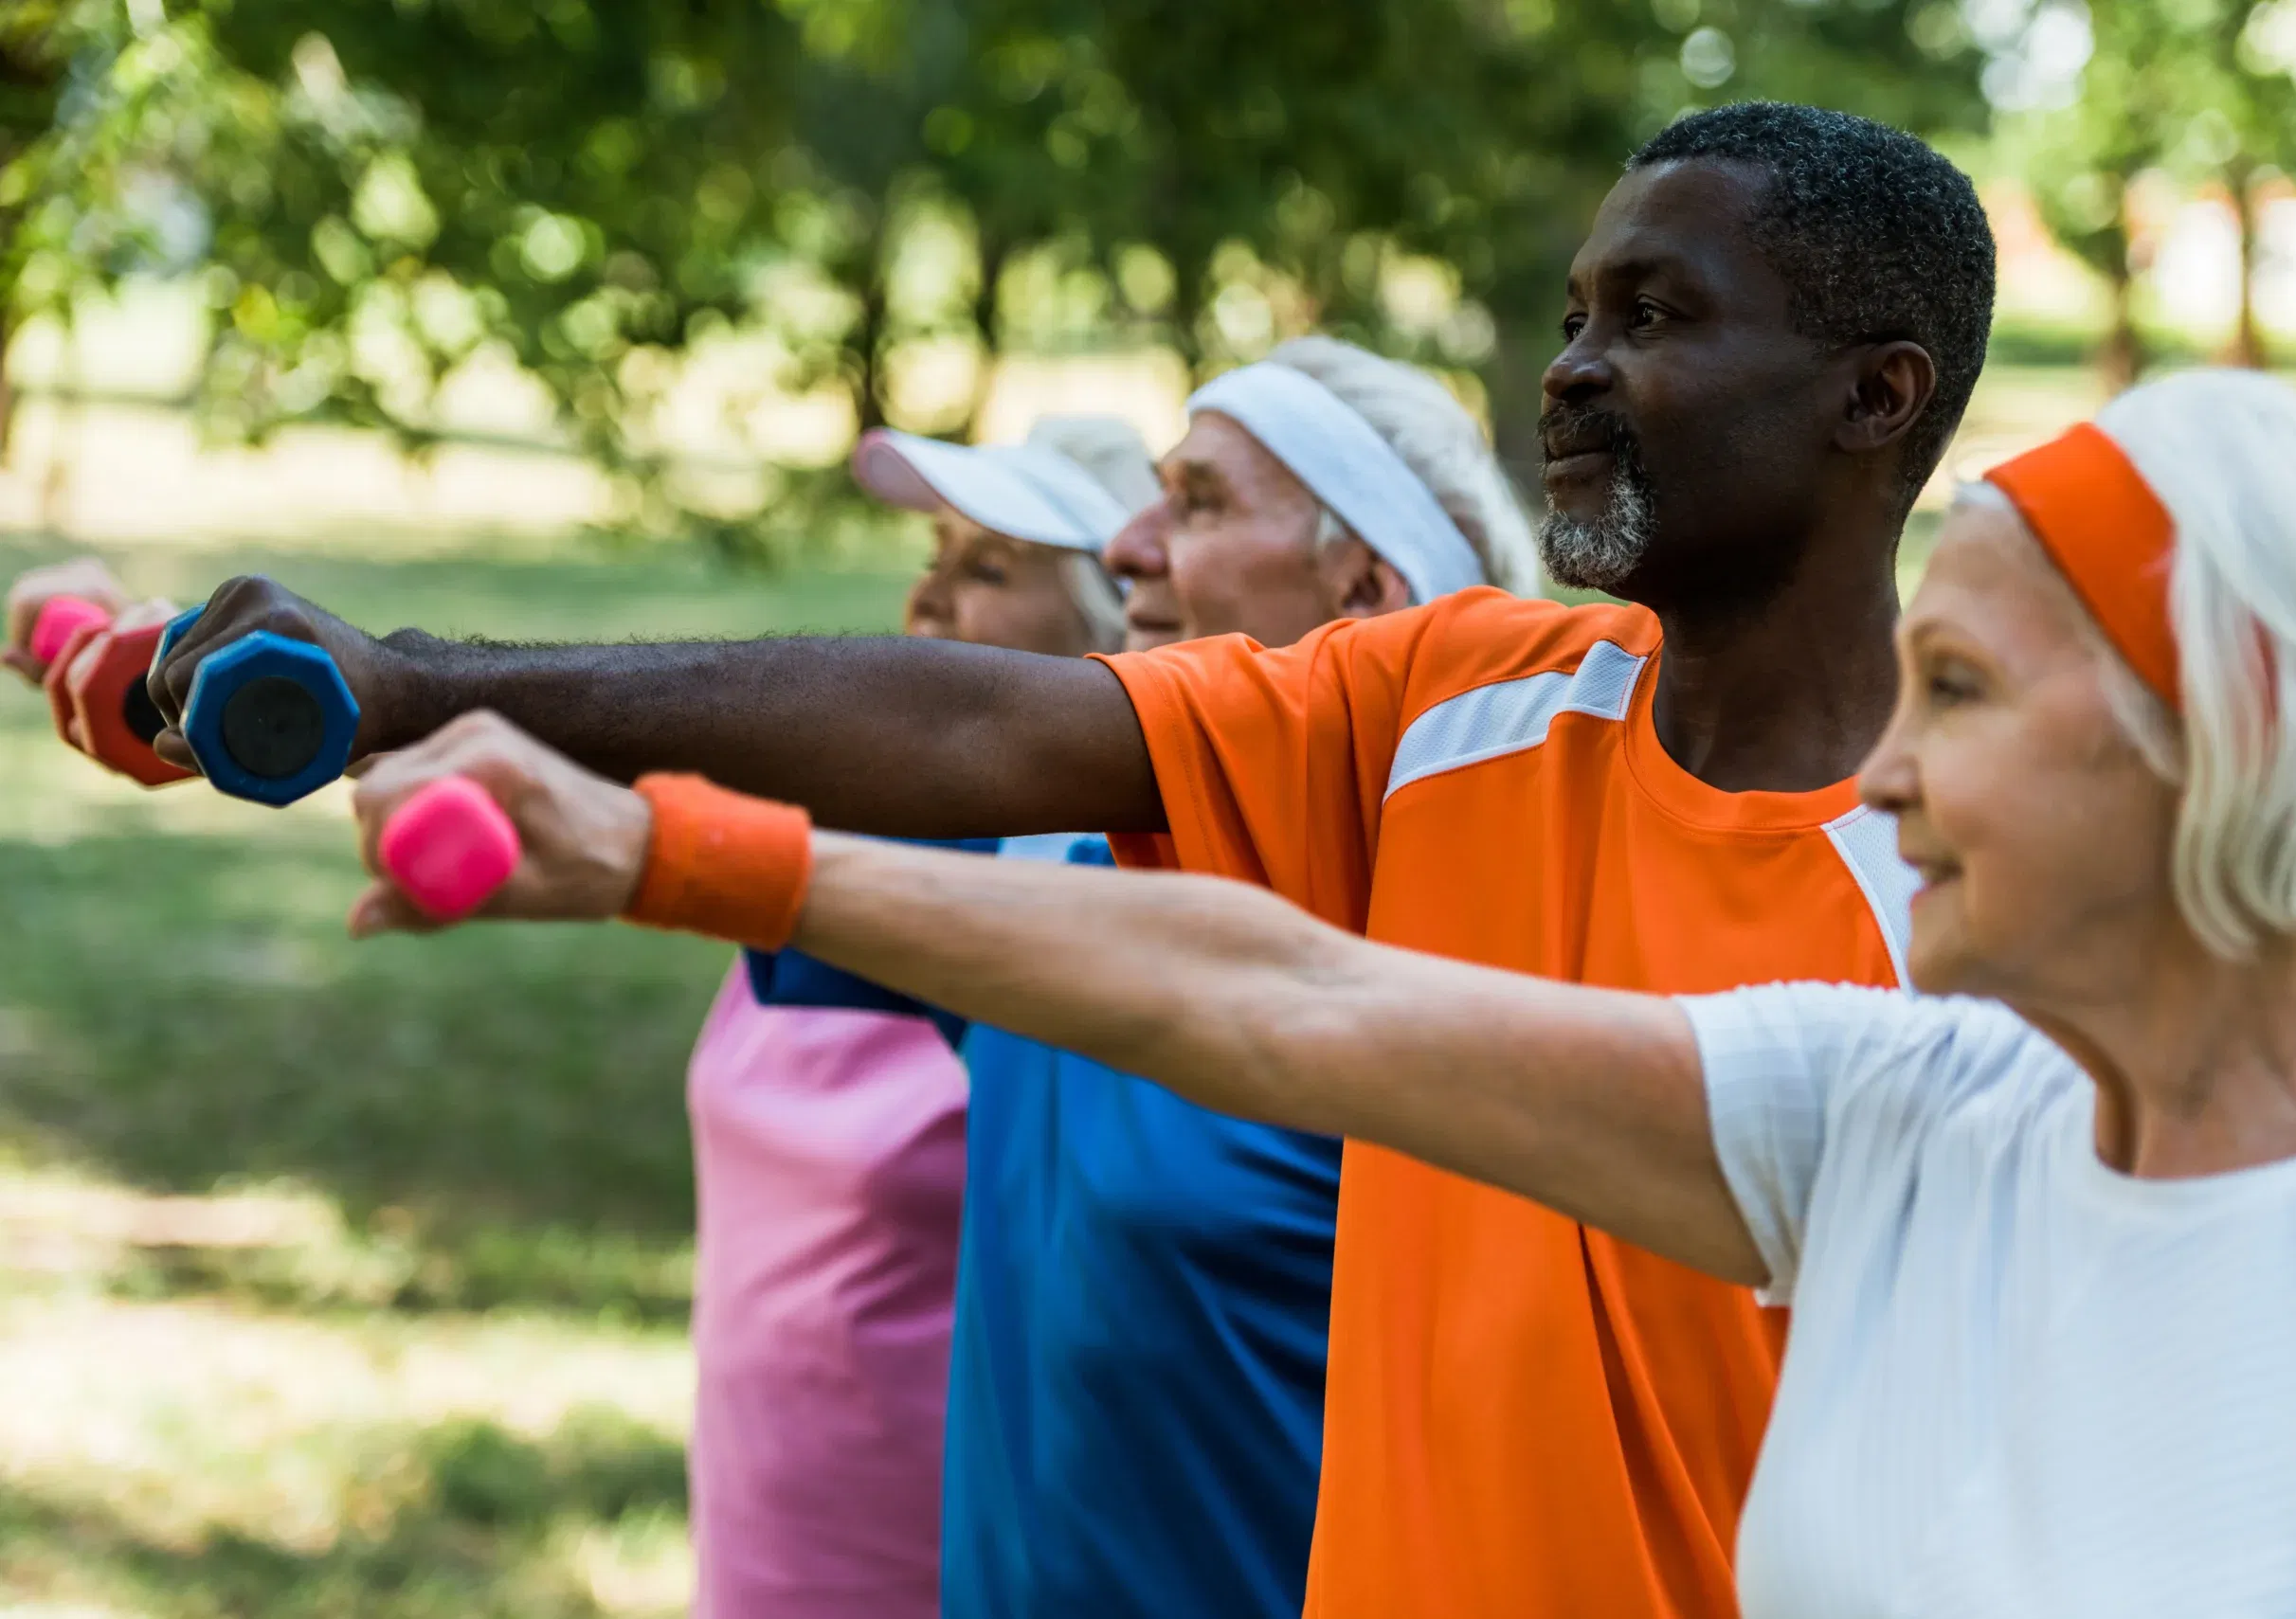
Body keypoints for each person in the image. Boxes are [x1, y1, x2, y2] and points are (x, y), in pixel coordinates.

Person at [154, 102, 1999, 1617]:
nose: (1571, 372)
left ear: (1872, 396)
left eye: (1654, 319)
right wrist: (412, 678)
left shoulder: (1973, 912)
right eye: (1576, 313)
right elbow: (983, 726)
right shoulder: (1463, 696)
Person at [353, 368, 2296, 1618]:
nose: (1881, 770)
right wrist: (662, 849)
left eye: (1954, 693)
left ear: (2210, 732)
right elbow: (1285, 1005)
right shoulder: (1897, 1118)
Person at [773, 337, 1533, 1619]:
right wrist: (416, 692)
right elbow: (773, 773)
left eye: (1198, 503)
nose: (1129, 545)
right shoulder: (1050, 849)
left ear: (1364, 588)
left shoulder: (1452, 965)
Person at [681, 413, 1152, 1618]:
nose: (928, 595)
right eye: (936, 552)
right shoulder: (846, 840)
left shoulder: (1085, 909)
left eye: (988, 568)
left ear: (1119, 631)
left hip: (943, 1550)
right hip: (760, 1531)